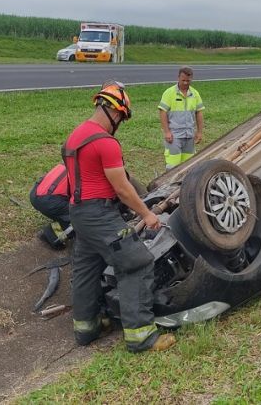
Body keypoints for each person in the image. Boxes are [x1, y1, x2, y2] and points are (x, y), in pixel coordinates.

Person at [62, 81, 176, 353]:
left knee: (87, 268)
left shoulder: (74, 136)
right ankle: (141, 336)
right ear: (115, 112)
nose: (120, 123)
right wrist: (147, 214)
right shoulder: (105, 142)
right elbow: (123, 188)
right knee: (136, 261)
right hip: (99, 214)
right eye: (122, 119)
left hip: (78, 212)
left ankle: (86, 328)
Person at [158, 66, 205, 170]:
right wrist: (166, 132)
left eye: (188, 81)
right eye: (183, 80)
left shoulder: (195, 94)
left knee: (190, 166)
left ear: (191, 79)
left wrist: (199, 132)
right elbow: (162, 112)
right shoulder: (169, 93)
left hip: (189, 135)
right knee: (173, 166)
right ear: (178, 77)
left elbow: (199, 113)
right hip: (174, 135)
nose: (185, 83)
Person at [29, 164, 73, 250]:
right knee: (84, 217)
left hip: (36, 192)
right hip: (48, 200)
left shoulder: (70, 159)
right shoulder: (89, 172)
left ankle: (62, 221)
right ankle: (52, 235)